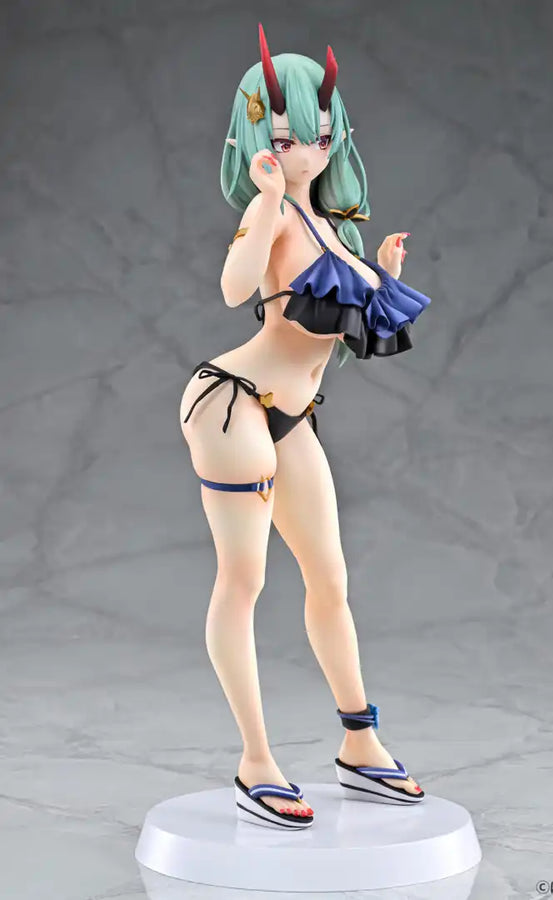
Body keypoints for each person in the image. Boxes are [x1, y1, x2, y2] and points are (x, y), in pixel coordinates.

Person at [179, 24, 431, 830]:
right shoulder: (276, 215)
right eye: (287, 138)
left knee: (330, 581)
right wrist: (262, 200)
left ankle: (360, 742)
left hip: (293, 417)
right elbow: (234, 288)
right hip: (232, 403)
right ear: (258, 138)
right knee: (244, 580)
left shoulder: (327, 225)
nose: (307, 152)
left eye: (320, 136)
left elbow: (347, 317)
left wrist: (382, 272)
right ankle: (255, 759)